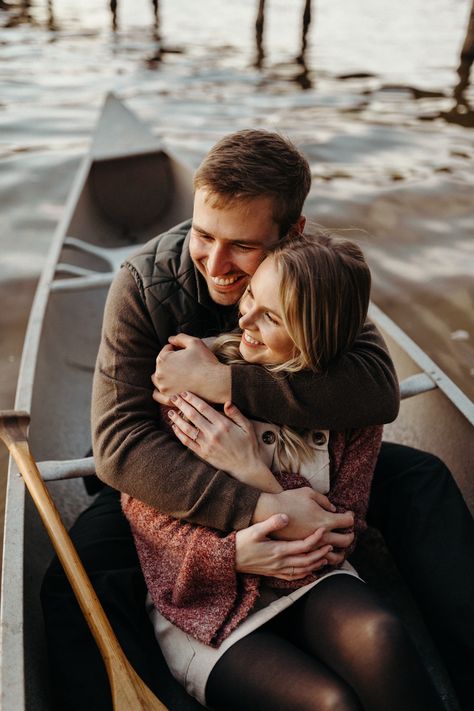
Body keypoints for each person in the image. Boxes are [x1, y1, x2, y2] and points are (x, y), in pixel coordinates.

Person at [41, 129, 474, 711]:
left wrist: (226, 382)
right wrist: (258, 507)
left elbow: (374, 388)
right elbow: (121, 447)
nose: (216, 265)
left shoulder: (312, 272)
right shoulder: (145, 286)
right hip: (181, 474)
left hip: (302, 461)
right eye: (202, 234)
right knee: (75, 578)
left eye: (242, 246)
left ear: (291, 234)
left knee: (424, 479)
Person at [123, 231, 443, 710]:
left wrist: (252, 471)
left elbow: (339, 535)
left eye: (271, 316)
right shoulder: (195, 378)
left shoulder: (350, 406)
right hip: (205, 599)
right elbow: (148, 520)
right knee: (330, 703)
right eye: (251, 295)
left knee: (382, 635)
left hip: (313, 577)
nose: (244, 318)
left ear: (315, 335)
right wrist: (232, 555)